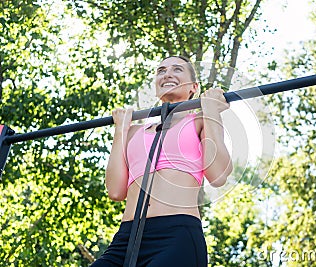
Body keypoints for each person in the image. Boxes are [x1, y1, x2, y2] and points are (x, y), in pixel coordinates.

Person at [90, 55, 233, 267]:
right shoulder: (132, 132)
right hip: (126, 238)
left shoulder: (199, 121)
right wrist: (119, 130)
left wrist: (211, 111)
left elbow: (219, 175)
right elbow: (115, 191)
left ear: (193, 87)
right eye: (161, 70)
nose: (167, 74)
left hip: (176, 235)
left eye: (177, 70)